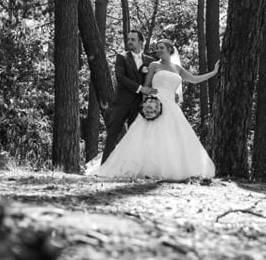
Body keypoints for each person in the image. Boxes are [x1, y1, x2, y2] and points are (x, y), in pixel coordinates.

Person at [88, 37, 218, 181]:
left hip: (172, 107)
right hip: (154, 103)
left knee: (174, 137)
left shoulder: (177, 68)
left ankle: (173, 169)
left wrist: (213, 72)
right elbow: (147, 85)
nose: (158, 50)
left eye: (162, 47)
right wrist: (146, 106)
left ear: (170, 49)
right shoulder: (154, 66)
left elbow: (194, 79)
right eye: (157, 48)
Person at [100, 29, 156, 164]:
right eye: (129, 39)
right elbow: (120, 78)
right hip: (121, 102)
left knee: (135, 136)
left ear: (140, 42)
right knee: (113, 134)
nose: (129, 42)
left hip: (139, 104)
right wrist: (141, 88)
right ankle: (104, 167)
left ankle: (130, 167)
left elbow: (154, 80)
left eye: (133, 39)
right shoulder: (122, 57)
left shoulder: (150, 61)